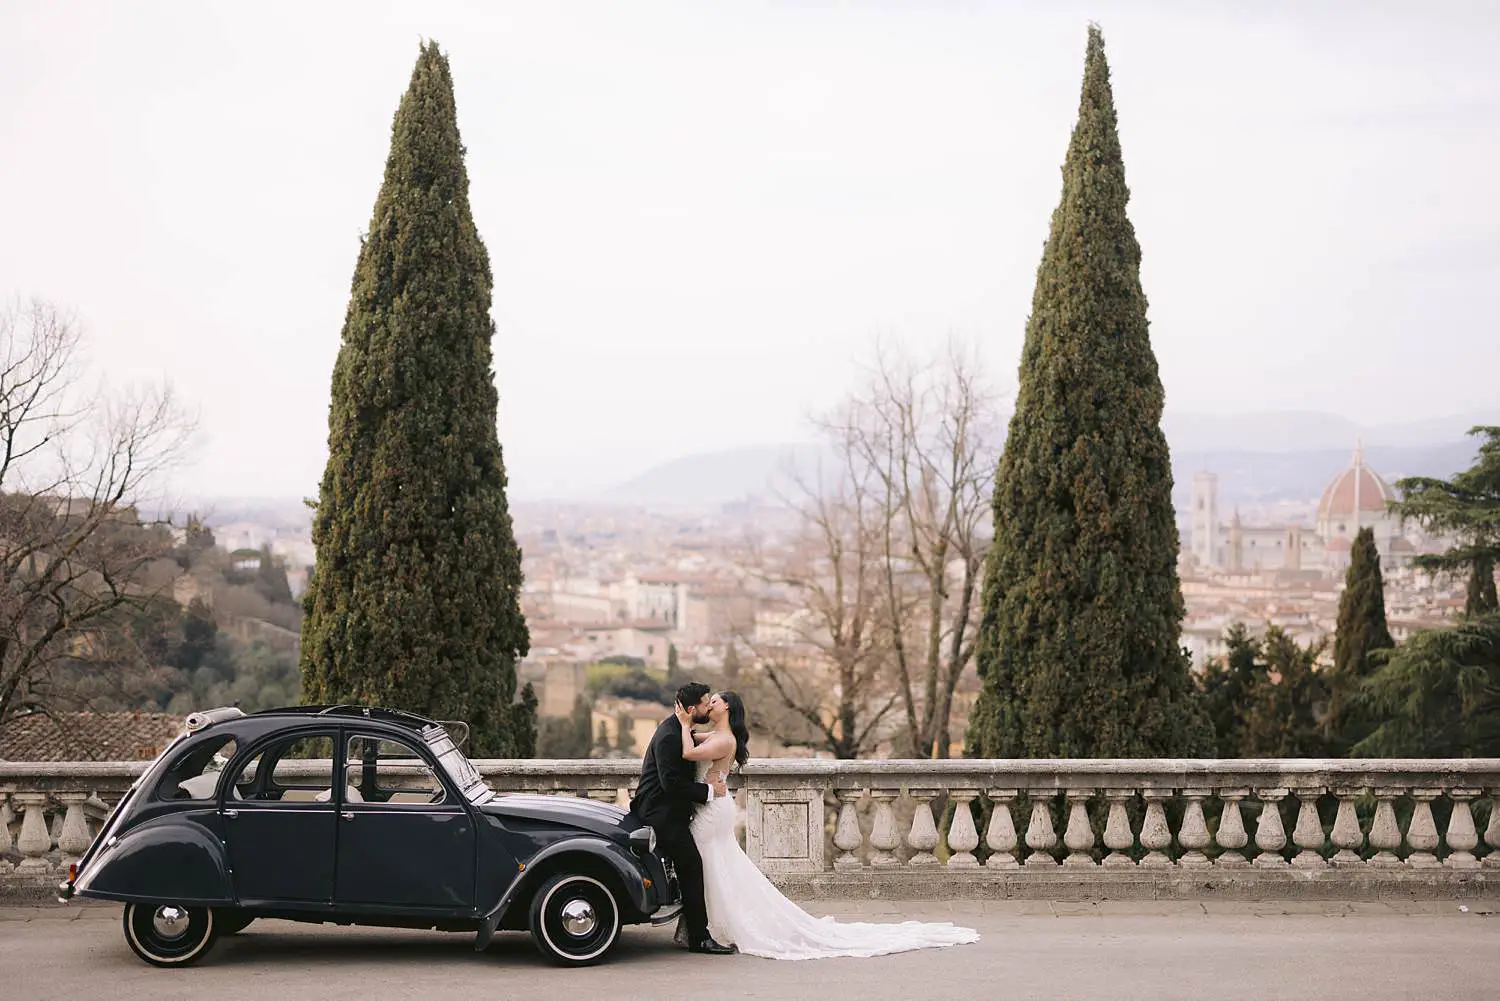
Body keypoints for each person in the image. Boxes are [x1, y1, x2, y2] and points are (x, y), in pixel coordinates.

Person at [674, 691, 981, 960]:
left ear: (726, 708)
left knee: (708, 865)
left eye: (713, 701)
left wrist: (685, 724)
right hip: (714, 806)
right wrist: (682, 726)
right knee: (715, 866)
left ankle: (711, 927)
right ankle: (705, 926)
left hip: (714, 810)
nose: (708, 705)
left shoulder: (724, 739)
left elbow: (687, 751)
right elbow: (686, 742)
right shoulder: (718, 736)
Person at [625, 682, 736, 955]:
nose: (709, 706)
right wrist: (709, 790)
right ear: (690, 709)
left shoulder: (680, 729)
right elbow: (671, 785)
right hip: (660, 813)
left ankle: (694, 932)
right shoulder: (670, 736)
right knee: (691, 865)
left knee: (691, 865)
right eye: (705, 703)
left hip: (670, 810)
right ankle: (699, 938)